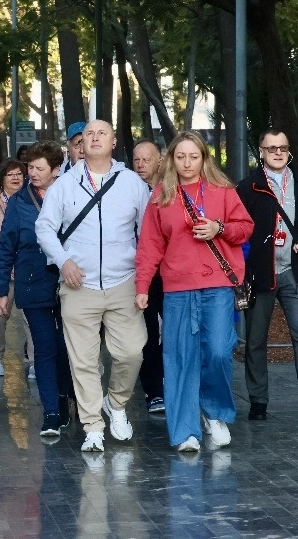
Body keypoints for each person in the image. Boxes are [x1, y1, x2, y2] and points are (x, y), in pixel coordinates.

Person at [34, 120, 150, 453]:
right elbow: (44, 228)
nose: (95, 137)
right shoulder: (64, 184)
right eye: (89, 134)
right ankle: (92, 426)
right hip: (78, 285)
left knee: (131, 351)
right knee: (83, 360)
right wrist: (63, 261)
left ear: (114, 142)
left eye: (102, 133)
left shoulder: (131, 183)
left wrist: (143, 276)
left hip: (123, 282)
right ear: (80, 144)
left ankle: (116, 403)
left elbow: (148, 232)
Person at [134, 132, 254, 452]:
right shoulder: (161, 196)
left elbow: (245, 227)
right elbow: (149, 245)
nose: (187, 163)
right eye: (181, 156)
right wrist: (142, 286)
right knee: (180, 358)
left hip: (217, 285)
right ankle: (185, 431)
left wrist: (219, 228)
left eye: (194, 156)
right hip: (177, 287)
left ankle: (214, 412)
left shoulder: (222, 190)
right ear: (171, 159)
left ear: (204, 158)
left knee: (218, 351)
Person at [237, 128, 298, 425]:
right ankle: (258, 401)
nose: (278, 153)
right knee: (255, 340)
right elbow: (237, 229)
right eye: (271, 148)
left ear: (289, 151)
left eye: (283, 148)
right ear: (261, 152)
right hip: (261, 275)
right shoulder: (248, 187)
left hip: (295, 273)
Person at [0, 142, 74, 437]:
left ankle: (65, 396)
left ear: (56, 170)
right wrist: (1, 289)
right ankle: (50, 410)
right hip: (32, 281)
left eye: (40, 168)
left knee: (67, 346)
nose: (32, 173)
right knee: (44, 345)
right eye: (30, 167)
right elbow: (6, 246)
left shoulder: (70, 194)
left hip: (69, 282)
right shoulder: (20, 202)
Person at [0, 159, 34, 378]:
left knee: (31, 317)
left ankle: (34, 361)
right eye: (10, 174)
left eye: (19, 173)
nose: (15, 178)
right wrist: (1, 265)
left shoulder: (30, 199)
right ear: (2, 178)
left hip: (27, 270)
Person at [132, 139, 166, 413]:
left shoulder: (171, 189)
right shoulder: (128, 189)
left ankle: (171, 380)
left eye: (146, 159)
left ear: (160, 161)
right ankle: (153, 390)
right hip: (141, 270)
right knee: (147, 332)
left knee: (175, 331)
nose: (141, 165)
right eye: (136, 160)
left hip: (170, 271)